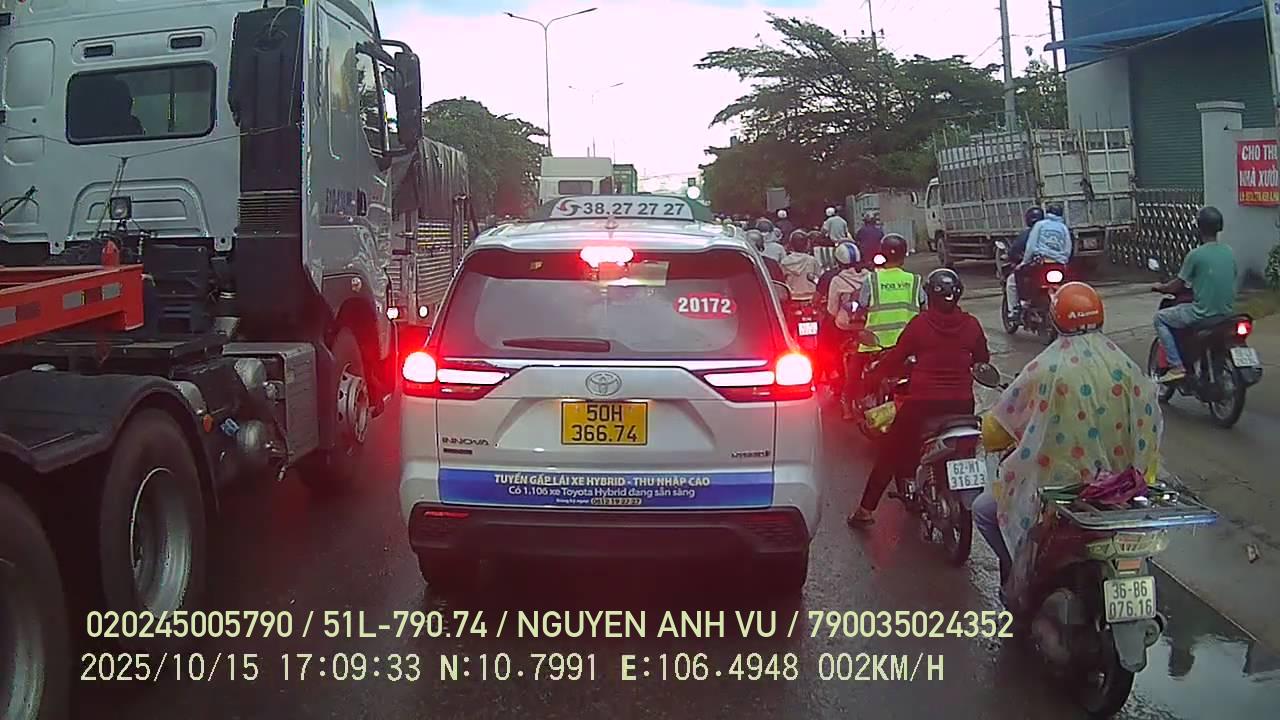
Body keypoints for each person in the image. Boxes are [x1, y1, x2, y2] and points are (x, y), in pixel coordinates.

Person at [975, 282, 1163, 588]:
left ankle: (1019, 579)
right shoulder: (1127, 368)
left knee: (985, 510)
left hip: (1059, 492)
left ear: (1054, 320)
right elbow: (1150, 429)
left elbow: (995, 432)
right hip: (1120, 490)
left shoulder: (1043, 370)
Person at [848, 269, 990, 525]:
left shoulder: (920, 324)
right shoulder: (971, 325)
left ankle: (865, 510)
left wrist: (873, 377)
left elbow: (896, 357)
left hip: (923, 403)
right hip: (962, 405)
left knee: (890, 452)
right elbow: (983, 360)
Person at [1151, 205, 1238, 384]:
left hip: (1202, 314)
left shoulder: (1196, 255)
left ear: (1199, 228)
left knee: (1160, 318)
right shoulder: (1229, 252)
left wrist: (1161, 287)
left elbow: (1177, 285)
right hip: (1227, 314)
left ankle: (1176, 366)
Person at [823, 242, 871, 420]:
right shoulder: (870, 277)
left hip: (844, 328)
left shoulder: (837, 280)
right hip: (866, 326)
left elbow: (832, 310)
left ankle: (837, 379)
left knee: (829, 346)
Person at [1004, 206, 1044, 320]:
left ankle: (1014, 310)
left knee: (1012, 281)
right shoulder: (1055, 230)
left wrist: (1020, 261)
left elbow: (1015, 251)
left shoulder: (1027, 234)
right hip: (1056, 264)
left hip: (1034, 268)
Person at [1018, 201, 1072, 272]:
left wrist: (1024, 262)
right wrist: (1064, 260)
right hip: (1059, 262)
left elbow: (1031, 245)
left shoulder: (1039, 224)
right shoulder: (1064, 228)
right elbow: (1067, 248)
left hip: (1041, 260)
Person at [781, 229, 820, 302]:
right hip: (810, 297)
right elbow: (818, 279)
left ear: (791, 245)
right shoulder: (812, 260)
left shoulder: (785, 261)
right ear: (807, 245)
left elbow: (782, 280)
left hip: (792, 297)